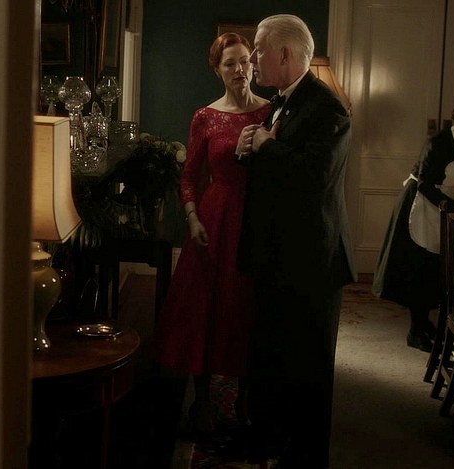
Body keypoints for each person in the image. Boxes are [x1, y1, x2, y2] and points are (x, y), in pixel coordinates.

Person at [234, 14, 355, 468]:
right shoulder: (280, 101)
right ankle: (268, 439)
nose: (253, 58)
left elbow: (311, 177)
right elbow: (277, 173)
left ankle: (305, 458)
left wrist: (265, 146)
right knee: (272, 357)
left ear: (284, 54)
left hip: (312, 261)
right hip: (278, 254)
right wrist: (249, 151)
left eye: (259, 49)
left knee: (309, 370)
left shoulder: (330, 109)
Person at [151, 32, 271, 439]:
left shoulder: (271, 111)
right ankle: (201, 402)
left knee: (248, 309)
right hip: (215, 220)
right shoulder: (205, 116)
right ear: (217, 70)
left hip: (256, 221)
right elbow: (188, 177)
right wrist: (192, 219)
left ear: (253, 63)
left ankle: (244, 402)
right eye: (229, 64)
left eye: (244, 61)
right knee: (207, 309)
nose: (239, 70)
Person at [373, 100, 454, 352]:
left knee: (432, 268)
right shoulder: (438, 143)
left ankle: (423, 324)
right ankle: (415, 331)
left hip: (436, 205)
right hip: (419, 205)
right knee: (419, 268)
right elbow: (424, 184)